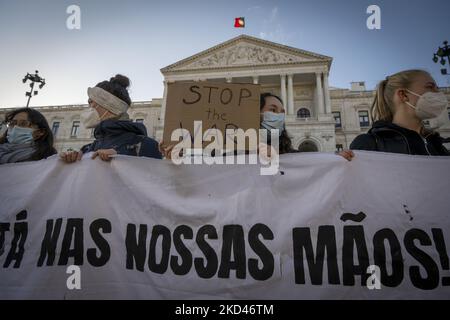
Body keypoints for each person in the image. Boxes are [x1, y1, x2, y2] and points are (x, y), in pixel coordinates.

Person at [60, 74, 162, 163]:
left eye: (91, 101)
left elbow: (154, 180)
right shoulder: (87, 149)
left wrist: (122, 156)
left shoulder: (147, 145)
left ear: (108, 106)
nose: (88, 106)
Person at [350, 69, 449, 156]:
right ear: (403, 95)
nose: (438, 94)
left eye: (437, 89)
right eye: (430, 87)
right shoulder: (369, 143)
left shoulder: (438, 145)